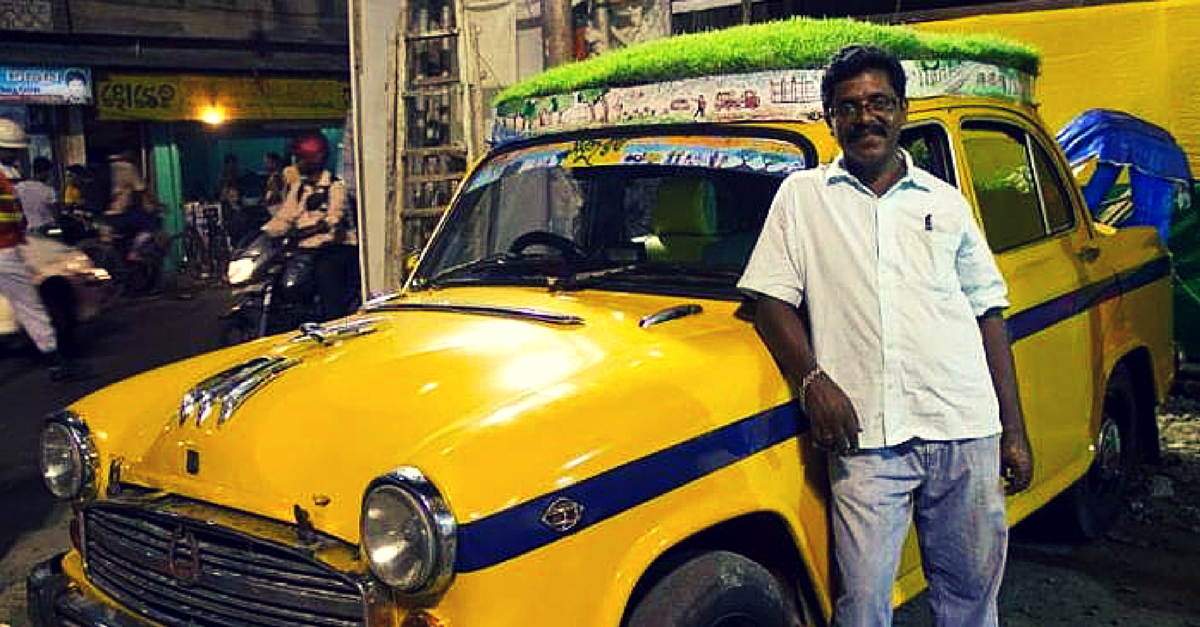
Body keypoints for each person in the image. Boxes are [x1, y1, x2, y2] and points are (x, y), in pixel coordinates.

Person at [738, 45, 1033, 627]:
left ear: (901, 110)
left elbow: (988, 314)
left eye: (877, 103)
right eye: (848, 107)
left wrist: (1014, 433)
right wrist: (813, 383)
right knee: (863, 605)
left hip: (963, 427)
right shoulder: (802, 199)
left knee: (969, 600)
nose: (864, 117)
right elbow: (770, 300)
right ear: (830, 118)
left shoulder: (946, 205)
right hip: (867, 438)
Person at [0, 119, 80, 380]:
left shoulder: (9, 179)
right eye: (11, 150)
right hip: (5, 250)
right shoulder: (5, 180)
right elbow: (14, 219)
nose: (14, 155)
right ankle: (56, 362)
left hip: (11, 247)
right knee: (30, 307)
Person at [261, 132, 360, 321]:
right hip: (305, 249)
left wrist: (311, 230)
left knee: (325, 271)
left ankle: (333, 321)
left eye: (301, 159)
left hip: (335, 248)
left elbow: (334, 218)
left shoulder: (335, 187)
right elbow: (285, 216)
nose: (297, 164)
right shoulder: (299, 188)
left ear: (316, 159)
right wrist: (264, 234)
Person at [16, 156, 58, 232]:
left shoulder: (20, 187)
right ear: (45, 172)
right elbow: (55, 213)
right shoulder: (48, 190)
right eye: (50, 173)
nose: (50, 176)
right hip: (48, 228)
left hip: (30, 228)